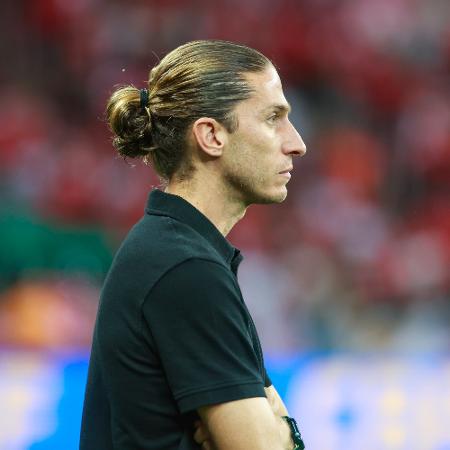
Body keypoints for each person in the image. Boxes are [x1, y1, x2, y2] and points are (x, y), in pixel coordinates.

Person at [80, 40, 307, 450]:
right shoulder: (185, 268)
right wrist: (284, 431)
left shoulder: (173, 251)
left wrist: (276, 426)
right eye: (274, 118)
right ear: (211, 135)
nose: (296, 143)